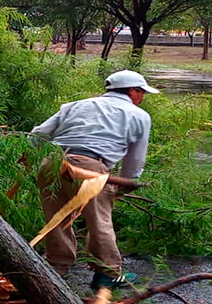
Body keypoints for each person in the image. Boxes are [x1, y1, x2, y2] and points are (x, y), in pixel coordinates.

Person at [31, 69, 157, 291]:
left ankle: (55, 268)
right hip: (90, 168)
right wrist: (126, 182)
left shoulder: (75, 105)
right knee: (100, 221)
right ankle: (108, 274)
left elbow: (38, 135)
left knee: (56, 218)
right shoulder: (139, 115)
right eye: (141, 92)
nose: (142, 97)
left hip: (52, 162)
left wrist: (24, 156)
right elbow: (135, 158)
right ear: (132, 91)